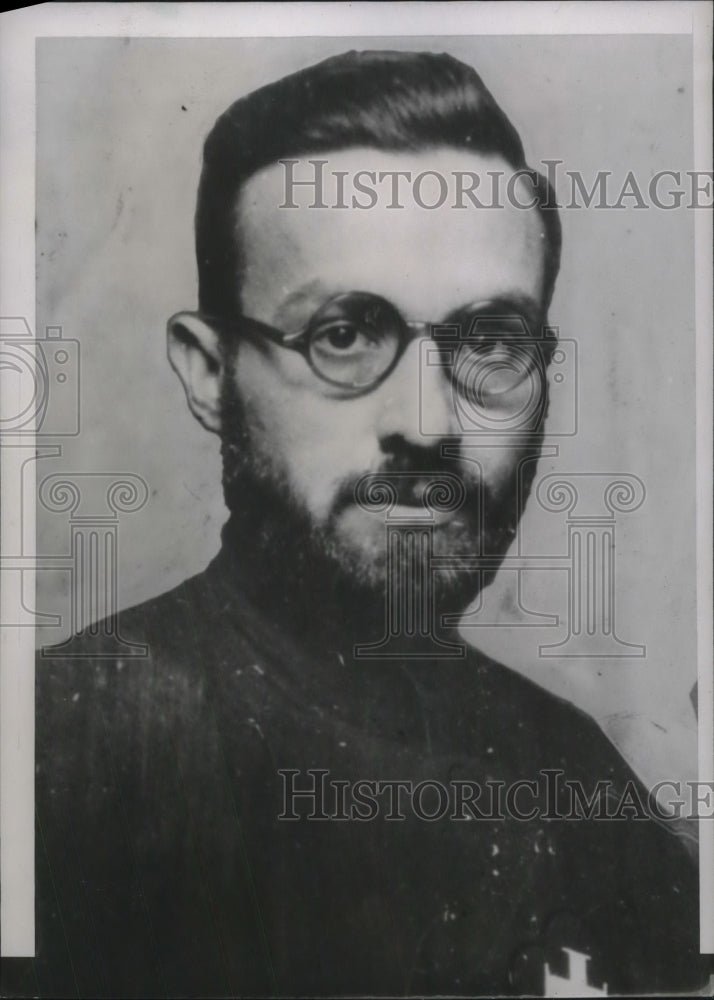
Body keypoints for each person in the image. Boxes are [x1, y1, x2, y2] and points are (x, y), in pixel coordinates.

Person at [9, 50, 708, 997]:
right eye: (344, 334)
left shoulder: (584, 786)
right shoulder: (54, 758)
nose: (426, 423)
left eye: (490, 342)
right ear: (210, 373)